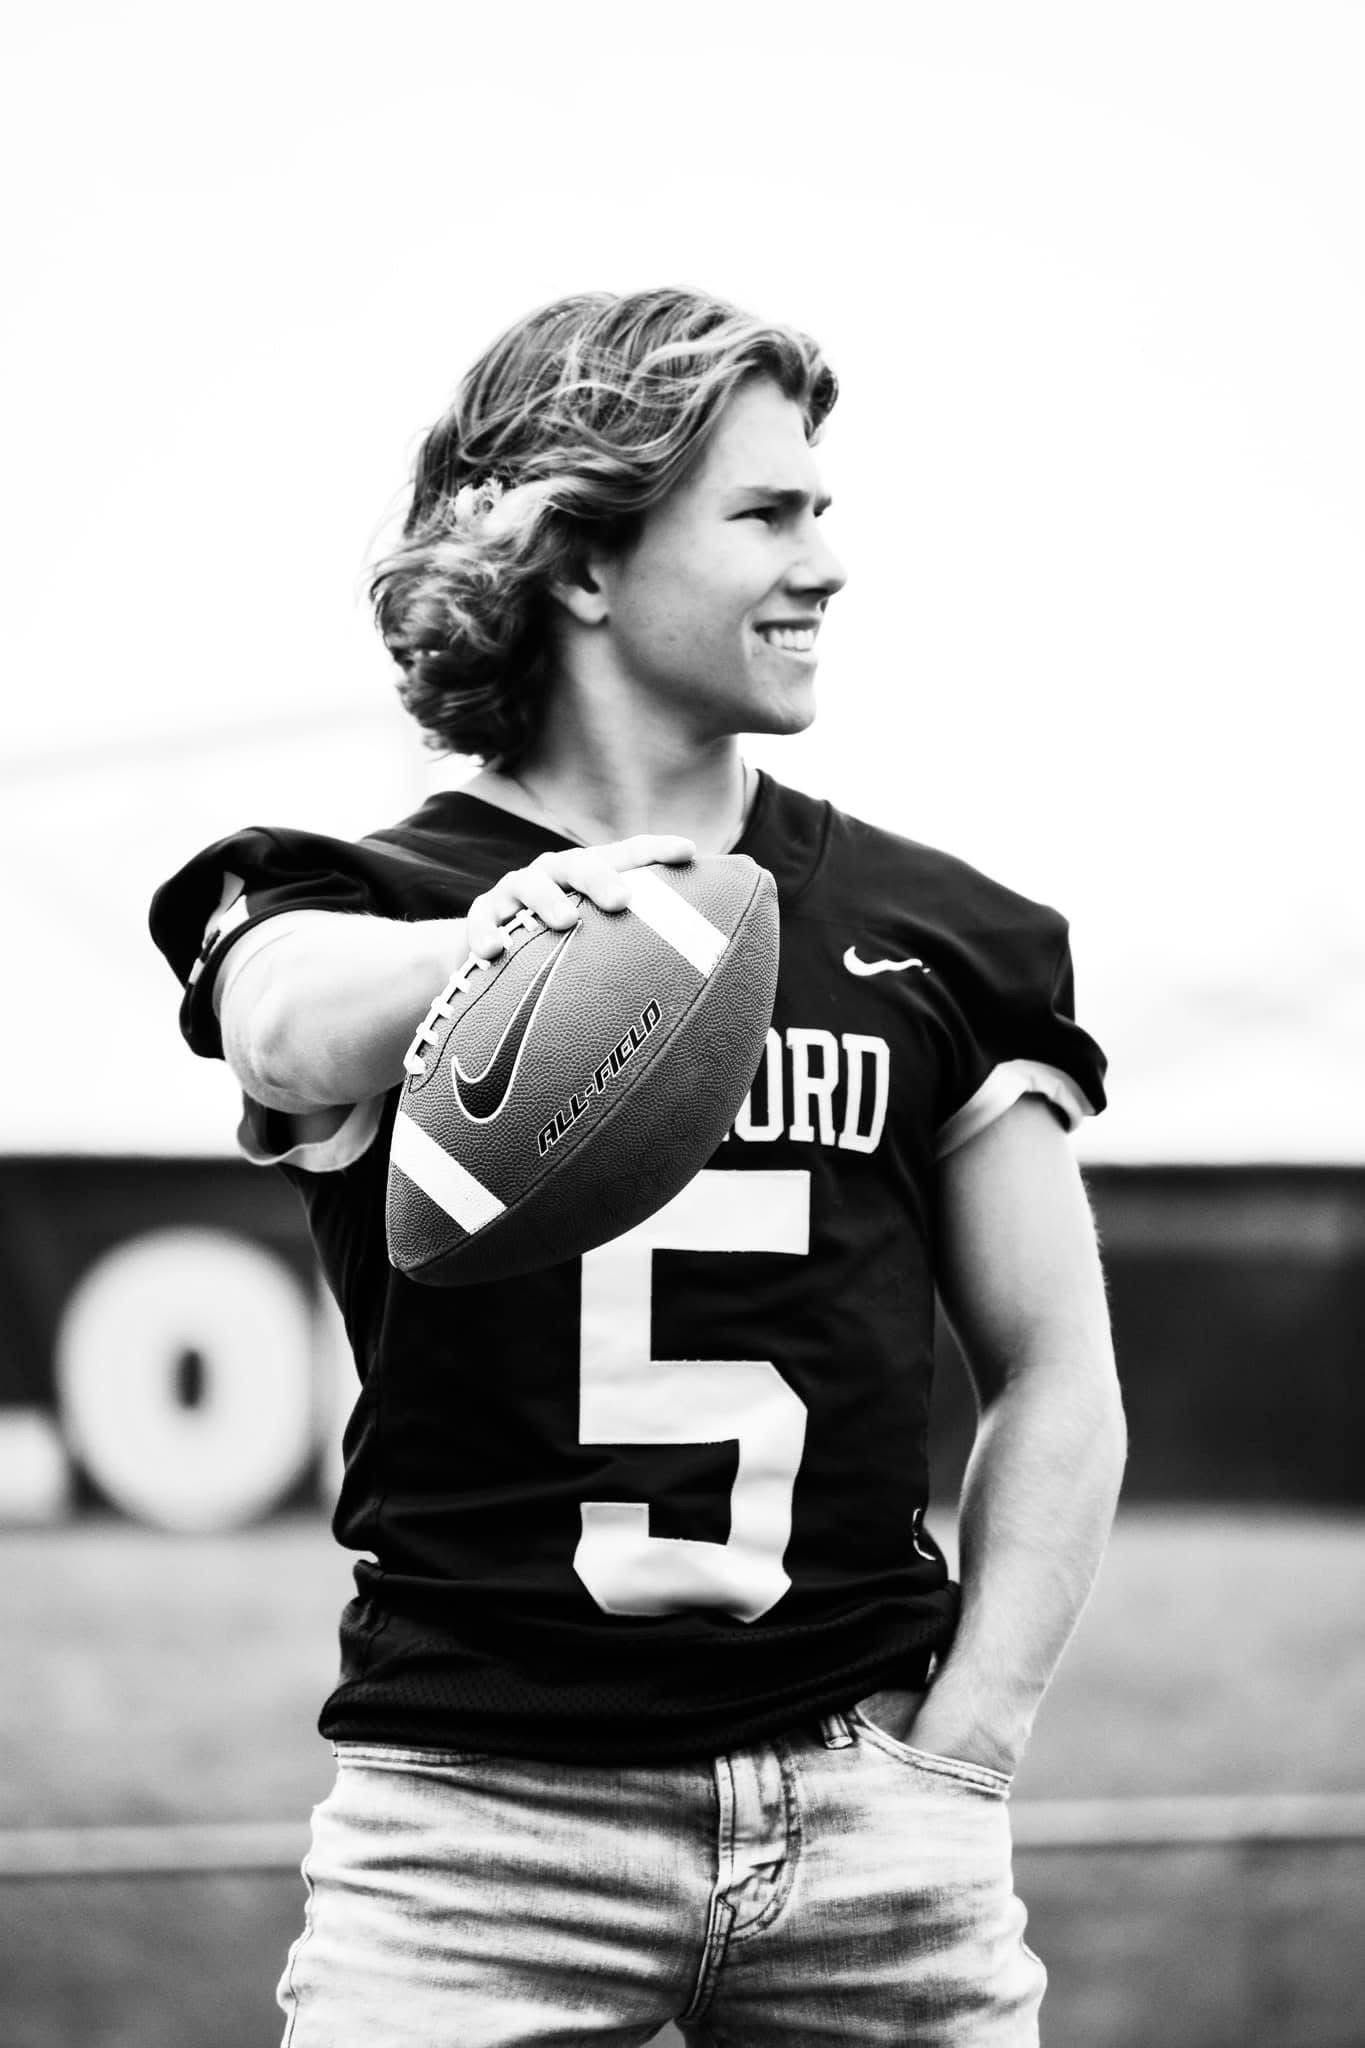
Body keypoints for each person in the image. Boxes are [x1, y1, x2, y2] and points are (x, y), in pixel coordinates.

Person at [150, 286, 1126, 2047]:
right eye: (766, 513)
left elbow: (1056, 1369)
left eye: (822, 506)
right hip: (475, 1830)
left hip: (866, 1807)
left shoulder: (944, 934)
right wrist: (510, 945)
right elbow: (278, 1027)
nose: (826, 559)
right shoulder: (350, 905)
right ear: (584, 563)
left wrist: (968, 1740)